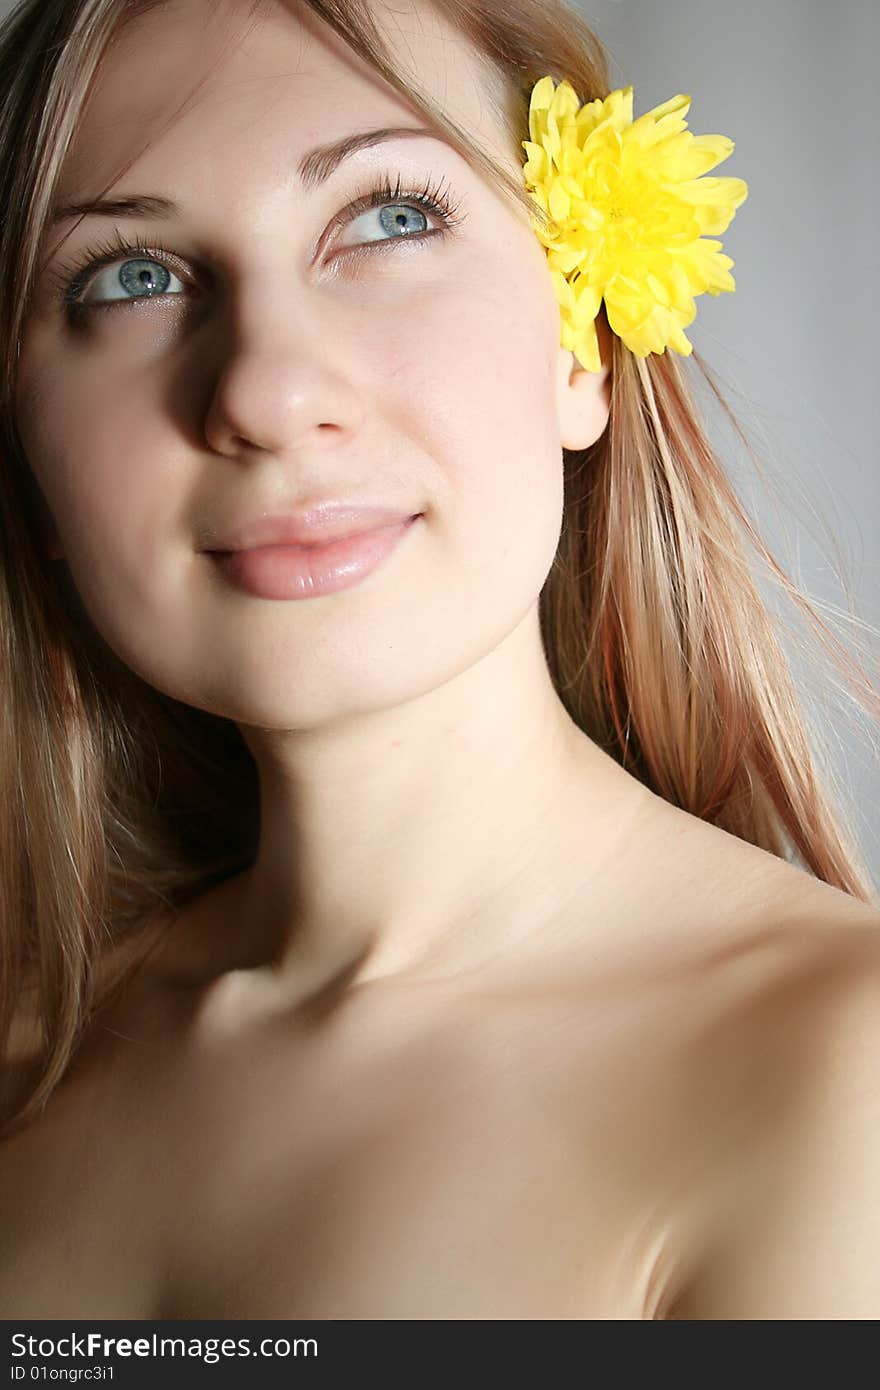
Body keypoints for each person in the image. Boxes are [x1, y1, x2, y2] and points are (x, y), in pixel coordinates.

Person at [0, 0, 878, 1321]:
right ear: (28, 453)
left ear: (581, 341)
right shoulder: (27, 1055)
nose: (265, 392)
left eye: (389, 217)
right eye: (132, 276)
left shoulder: (838, 1080)